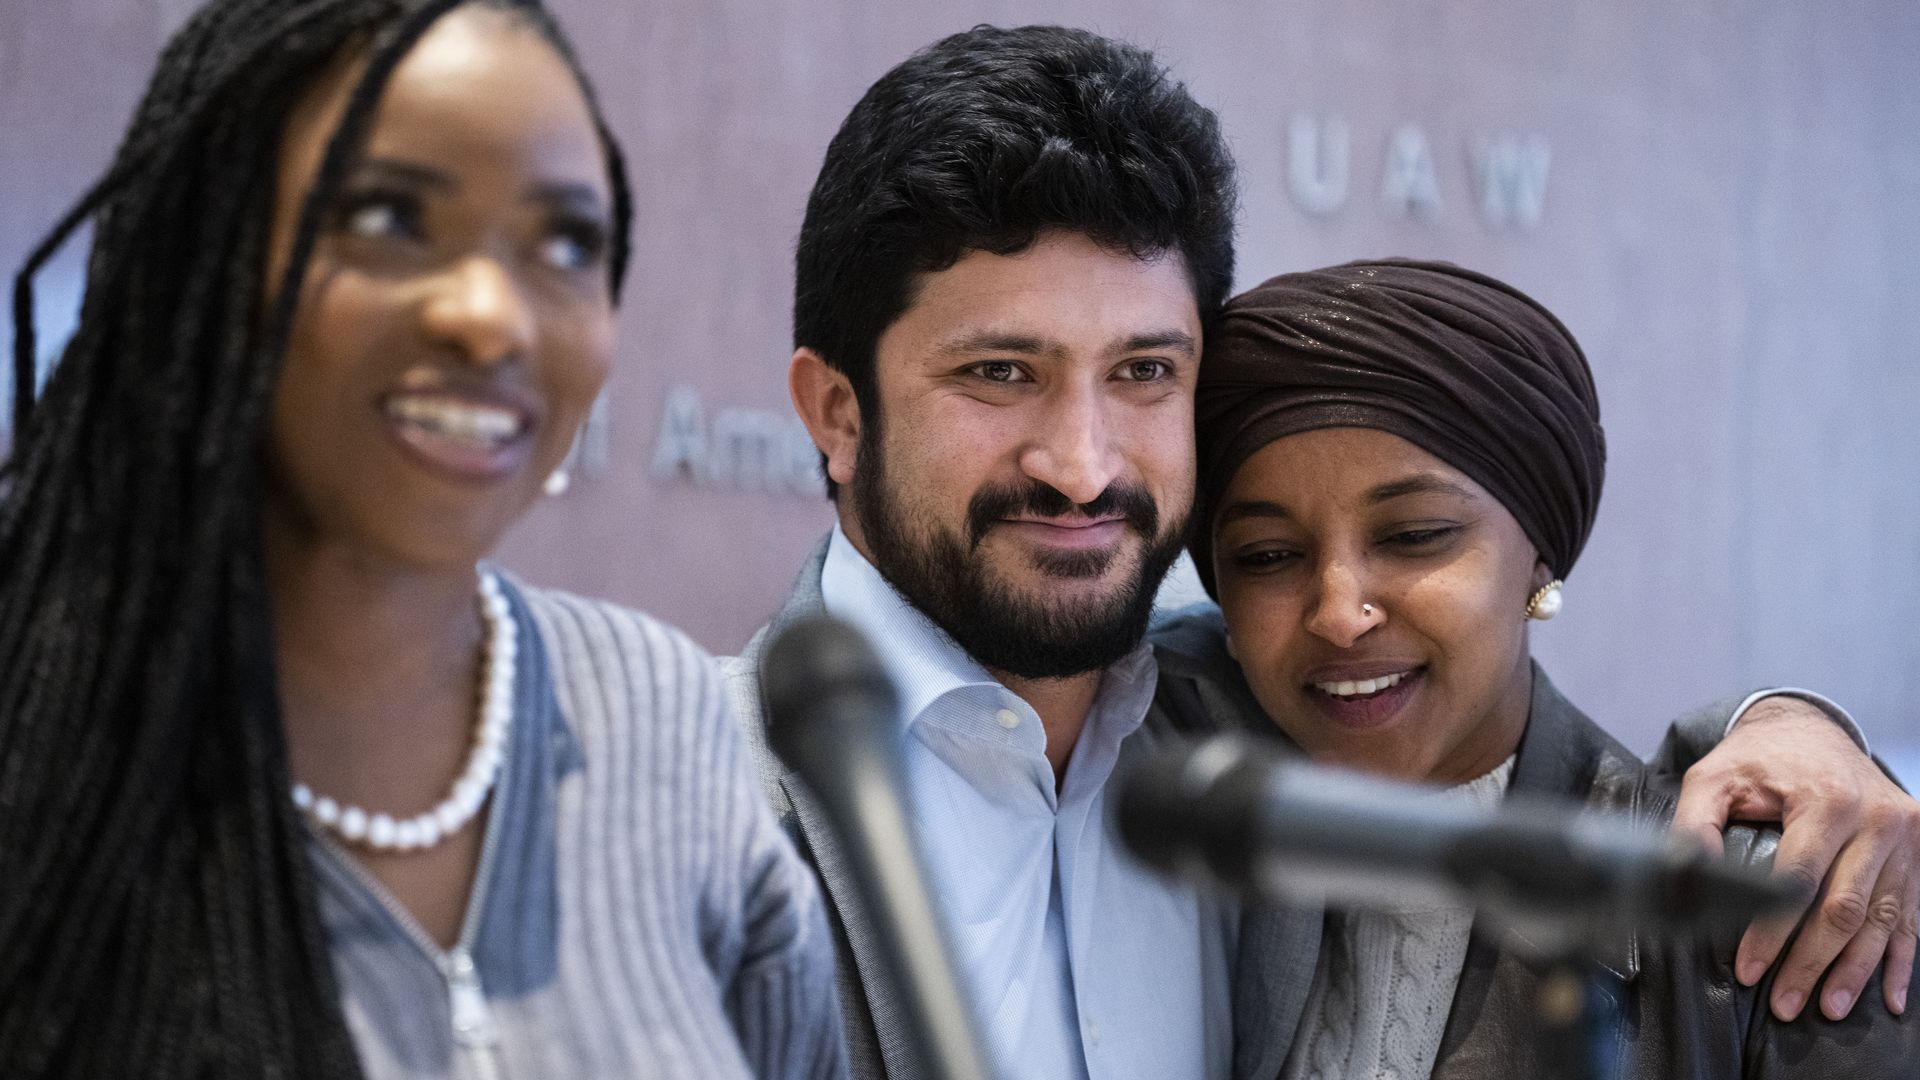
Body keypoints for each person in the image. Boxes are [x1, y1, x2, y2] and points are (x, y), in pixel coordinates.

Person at [728, 24, 1919, 1080]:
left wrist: (1794, 726)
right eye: (1001, 373)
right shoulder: (676, 807)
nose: (1081, 464)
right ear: (837, 413)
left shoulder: (1212, 723)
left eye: (1144, 372)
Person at [0, 1, 845, 1077]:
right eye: (390, 217)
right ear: (197, 257)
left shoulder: (662, 715)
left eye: (567, 241)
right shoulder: (41, 739)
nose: (493, 317)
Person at [1162, 258, 1918, 1078]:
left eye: (1415, 535)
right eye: (1268, 556)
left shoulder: (1775, 907)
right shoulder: (1179, 823)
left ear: (1540, 556)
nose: (1340, 613)